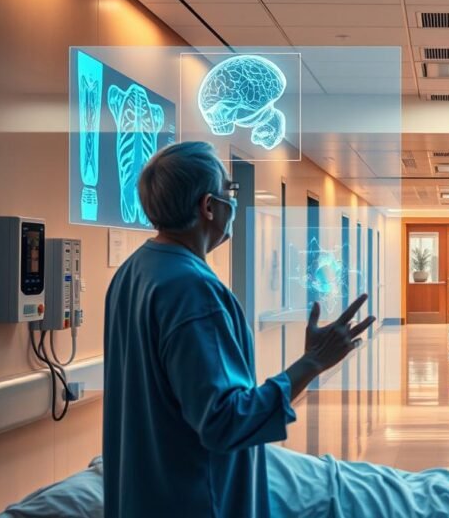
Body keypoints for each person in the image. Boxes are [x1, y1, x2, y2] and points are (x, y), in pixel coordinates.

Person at [102, 141, 374, 518]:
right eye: (230, 191)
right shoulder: (193, 290)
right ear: (208, 207)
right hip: (196, 502)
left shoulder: (134, 273)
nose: (234, 204)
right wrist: (312, 362)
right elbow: (224, 422)